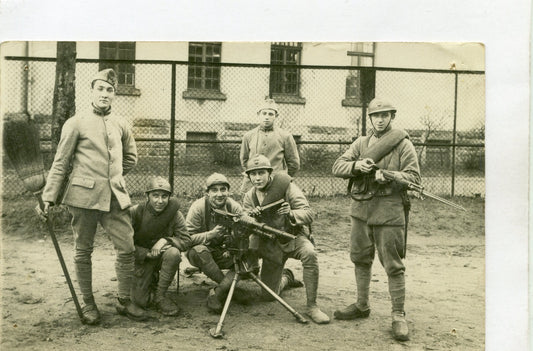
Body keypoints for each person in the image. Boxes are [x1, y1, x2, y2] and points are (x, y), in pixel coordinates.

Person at [40, 68, 147, 324]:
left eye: (109, 90)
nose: (105, 94)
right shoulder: (76, 122)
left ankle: (124, 301)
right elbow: (61, 161)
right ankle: (89, 305)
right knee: (83, 250)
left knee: (127, 247)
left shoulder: (121, 123)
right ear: (91, 91)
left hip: (114, 197)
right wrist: (49, 196)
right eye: (100, 88)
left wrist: (114, 178)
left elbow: (131, 157)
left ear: (114, 95)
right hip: (83, 197)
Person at [331, 98, 421, 341]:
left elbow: (414, 179)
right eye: (375, 116)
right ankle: (362, 305)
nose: (380, 120)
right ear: (369, 118)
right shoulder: (361, 143)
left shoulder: (403, 145)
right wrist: (358, 165)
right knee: (360, 259)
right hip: (361, 211)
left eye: (384, 115)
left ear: (392, 116)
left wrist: (389, 175)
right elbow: (337, 166)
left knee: (392, 264)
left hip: (389, 212)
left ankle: (398, 315)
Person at [185, 172, 299, 312]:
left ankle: (220, 292)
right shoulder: (198, 208)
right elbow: (186, 239)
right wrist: (211, 235)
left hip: (227, 251)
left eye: (223, 189)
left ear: (228, 191)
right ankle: (228, 289)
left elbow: (246, 230)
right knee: (199, 251)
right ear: (207, 193)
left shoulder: (234, 207)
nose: (219, 194)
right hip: (204, 252)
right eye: (214, 190)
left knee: (249, 256)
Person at [242, 155, 330, 324]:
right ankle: (287, 278)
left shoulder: (287, 187)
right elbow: (246, 222)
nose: (258, 178)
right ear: (249, 176)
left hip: (293, 237)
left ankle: (312, 306)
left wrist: (290, 213)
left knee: (310, 254)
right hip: (271, 244)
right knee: (268, 296)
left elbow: (309, 213)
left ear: (270, 173)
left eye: (261, 173)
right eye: (253, 174)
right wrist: (251, 218)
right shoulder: (250, 196)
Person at [128, 176, 191, 316]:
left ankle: (160, 296)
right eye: (155, 195)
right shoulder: (136, 212)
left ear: (169, 197)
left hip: (163, 256)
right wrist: (145, 253)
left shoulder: (175, 214)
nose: (160, 201)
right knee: (140, 301)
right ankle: (151, 281)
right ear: (147, 196)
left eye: (164, 196)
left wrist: (166, 240)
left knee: (173, 253)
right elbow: (122, 243)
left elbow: (186, 240)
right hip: (141, 259)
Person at [239, 98, 300, 194]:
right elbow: (244, 160)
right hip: (253, 182)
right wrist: (253, 175)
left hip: (276, 182)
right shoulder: (249, 136)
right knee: (249, 206)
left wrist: (282, 179)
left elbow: (294, 163)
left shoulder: (285, 136)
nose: (267, 117)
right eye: (264, 113)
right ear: (258, 114)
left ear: (276, 116)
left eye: (270, 114)